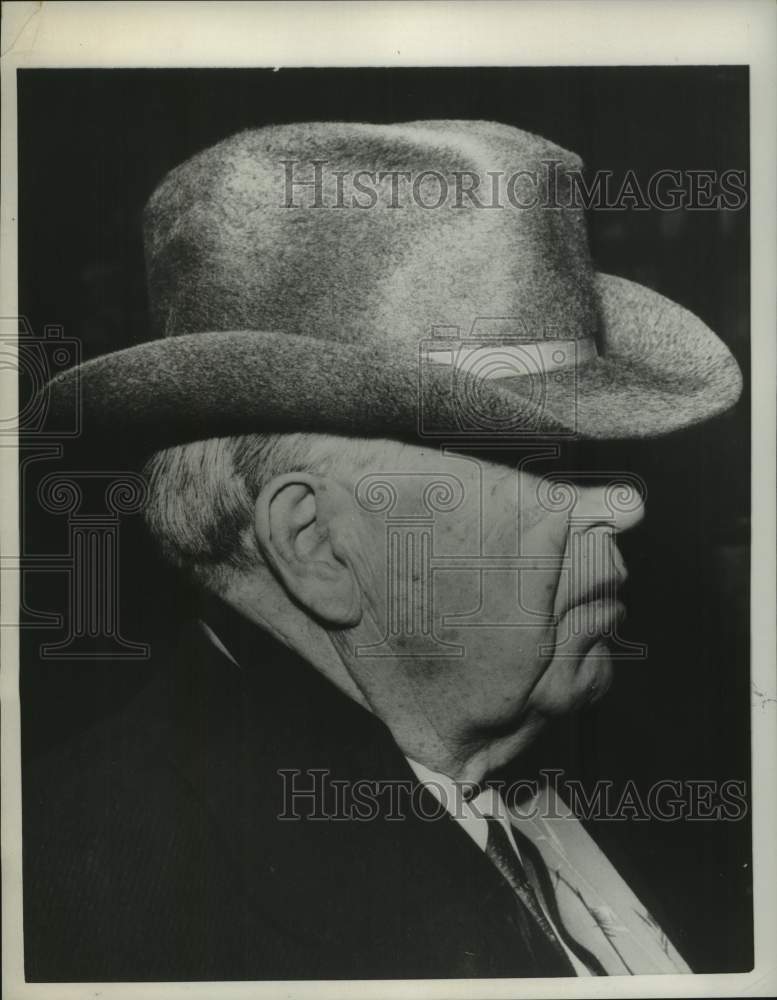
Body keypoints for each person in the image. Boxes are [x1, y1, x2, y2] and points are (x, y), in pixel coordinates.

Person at [23, 120, 742, 981]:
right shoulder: (100, 904)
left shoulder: (643, 764)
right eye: (529, 464)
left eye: (599, 460)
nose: (623, 508)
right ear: (315, 544)